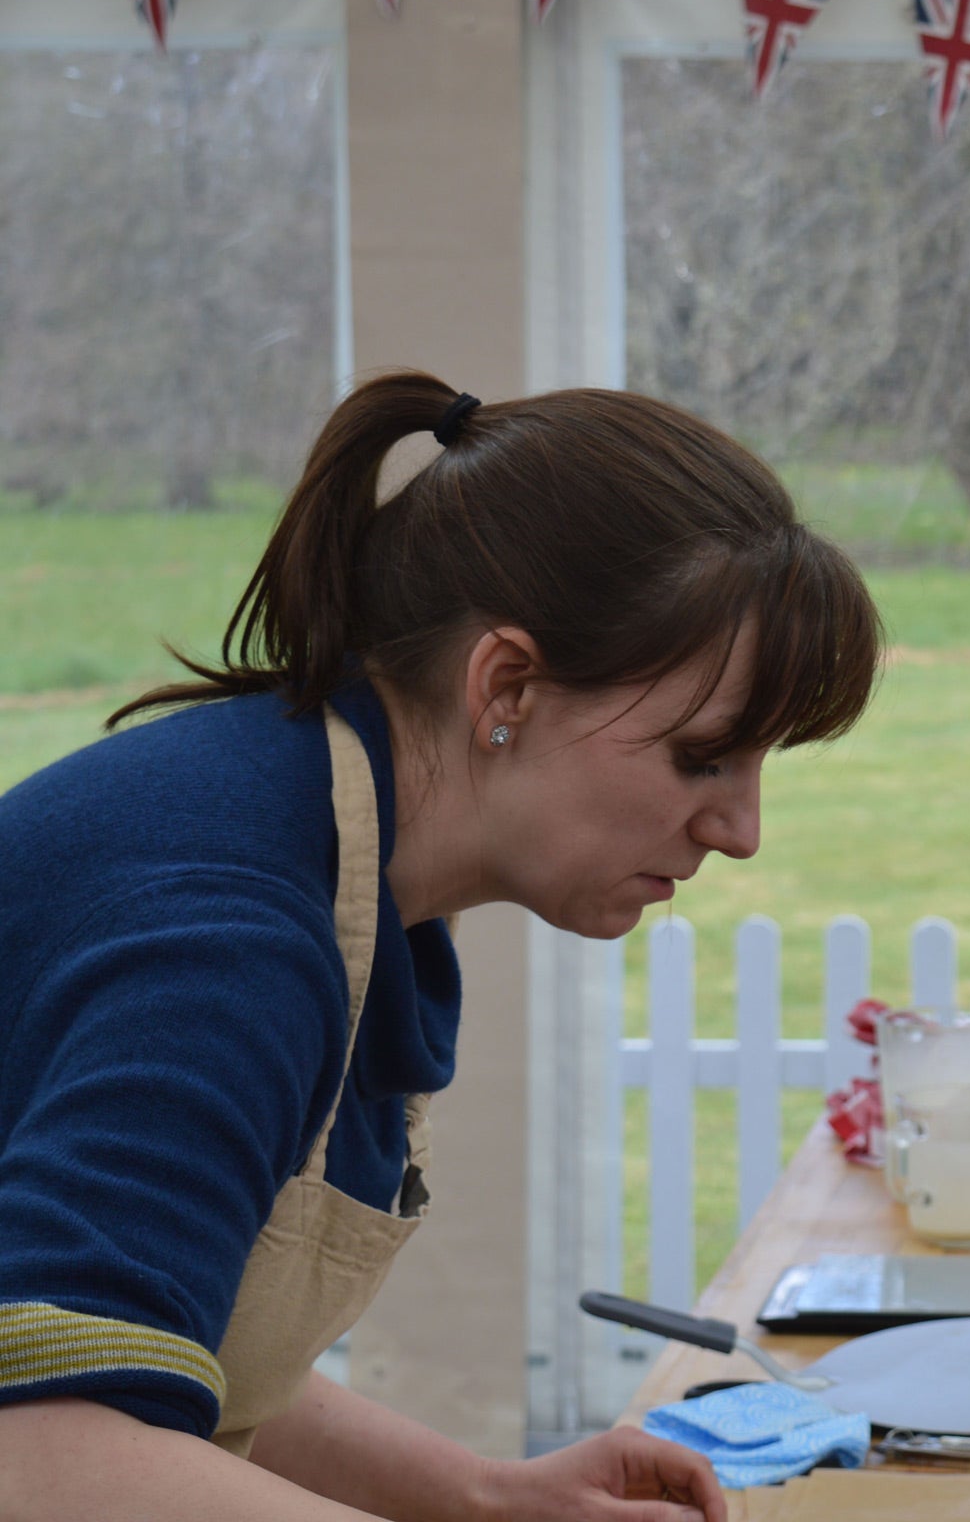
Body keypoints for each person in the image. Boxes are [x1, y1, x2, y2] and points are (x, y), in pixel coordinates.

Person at [0, 373, 883, 1522]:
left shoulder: (342, 856)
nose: (740, 830)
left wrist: (482, 1497)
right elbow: (42, 1444)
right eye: (703, 757)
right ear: (504, 685)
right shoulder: (233, 944)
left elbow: (155, 1338)